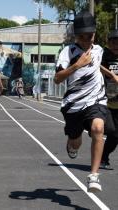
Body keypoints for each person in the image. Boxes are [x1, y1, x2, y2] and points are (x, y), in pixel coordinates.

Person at [54, 11, 107, 192]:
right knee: (76, 142)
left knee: (98, 128)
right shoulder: (67, 52)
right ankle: (72, 142)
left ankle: (94, 176)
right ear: (76, 36)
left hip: (96, 100)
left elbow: (101, 66)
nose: (87, 40)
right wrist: (77, 65)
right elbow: (57, 79)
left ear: (94, 34)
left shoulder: (99, 50)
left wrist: (113, 76)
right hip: (73, 106)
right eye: (82, 37)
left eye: (90, 36)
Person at [100, 29, 118, 170]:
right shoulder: (104, 55)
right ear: (108, 43)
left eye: (117, 42)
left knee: (115, 135)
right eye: (112, 42)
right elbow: (96, 65)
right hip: (107, 100)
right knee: (111, 131)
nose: (115, 44)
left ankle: (104, 156)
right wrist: (112, 75)